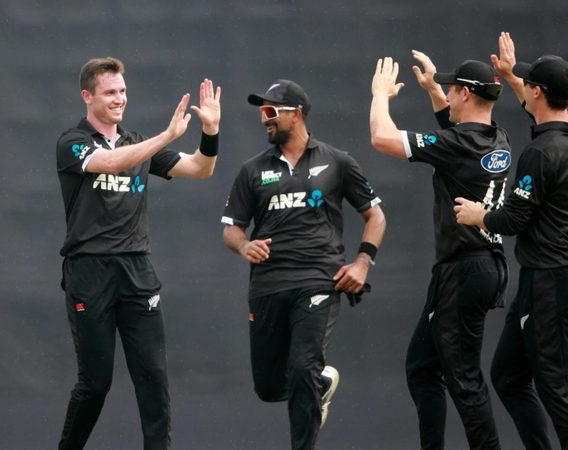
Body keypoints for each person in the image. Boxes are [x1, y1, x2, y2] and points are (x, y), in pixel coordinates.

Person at [56, 57, 220, 450]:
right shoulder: (72, 142)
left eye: (123, 91)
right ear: (87, 96)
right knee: (95, 384)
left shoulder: (137, 142)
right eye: (110, 92)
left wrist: (210, 131)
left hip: (137, 270)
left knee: (153, 377)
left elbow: (201, 169)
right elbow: (111, 162)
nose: (120, 99)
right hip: (89, 271)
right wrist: (167, 136)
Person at [222, 79, 386, 450]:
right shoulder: (252, 170)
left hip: (319, 279)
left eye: (270, 111)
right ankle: (318, 384)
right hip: (267, 285)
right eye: (261, 112)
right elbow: (231, 230)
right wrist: (244, 246)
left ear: (296, 114)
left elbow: (375, 216)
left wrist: (362, 262)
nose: (264, 119)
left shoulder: (337, 161)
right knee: (269, 387)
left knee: (301, 368)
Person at [370, 54, 510, 449]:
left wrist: (379, 94)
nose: (446, 94)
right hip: (477, 265)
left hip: (465, 270)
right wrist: (434, 89)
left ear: (464, 94)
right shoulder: (496, 137)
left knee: (464, 378)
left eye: (450, 89)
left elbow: (381, 137)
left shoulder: (459, 143)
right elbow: (453, 130)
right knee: (422, 367)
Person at [455, 32, 568, 450]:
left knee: (554, 383)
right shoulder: (558, 138)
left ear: (539, 92)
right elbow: (544, 109)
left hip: (549, 280)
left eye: (528, 84)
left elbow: (515, 219)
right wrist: (512, 75)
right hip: (545, 280)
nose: (525, 90)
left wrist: (477, 215)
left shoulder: (540, 153)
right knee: (507, 374)